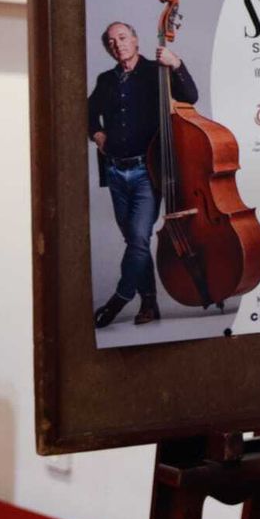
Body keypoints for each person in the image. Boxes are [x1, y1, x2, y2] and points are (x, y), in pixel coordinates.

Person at [87, 20, 198, 328]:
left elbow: (191, 95)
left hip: (146, 171)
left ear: (135, 40)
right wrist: (96, 134)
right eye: (111, 42)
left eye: (123, 38)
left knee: (138, 237)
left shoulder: (155, 72)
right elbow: (87, 113)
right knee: (134, 241)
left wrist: (175, 63)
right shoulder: (105, 79)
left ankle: (120, 298)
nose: (117, 44)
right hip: (114, 172)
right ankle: (149, 302)